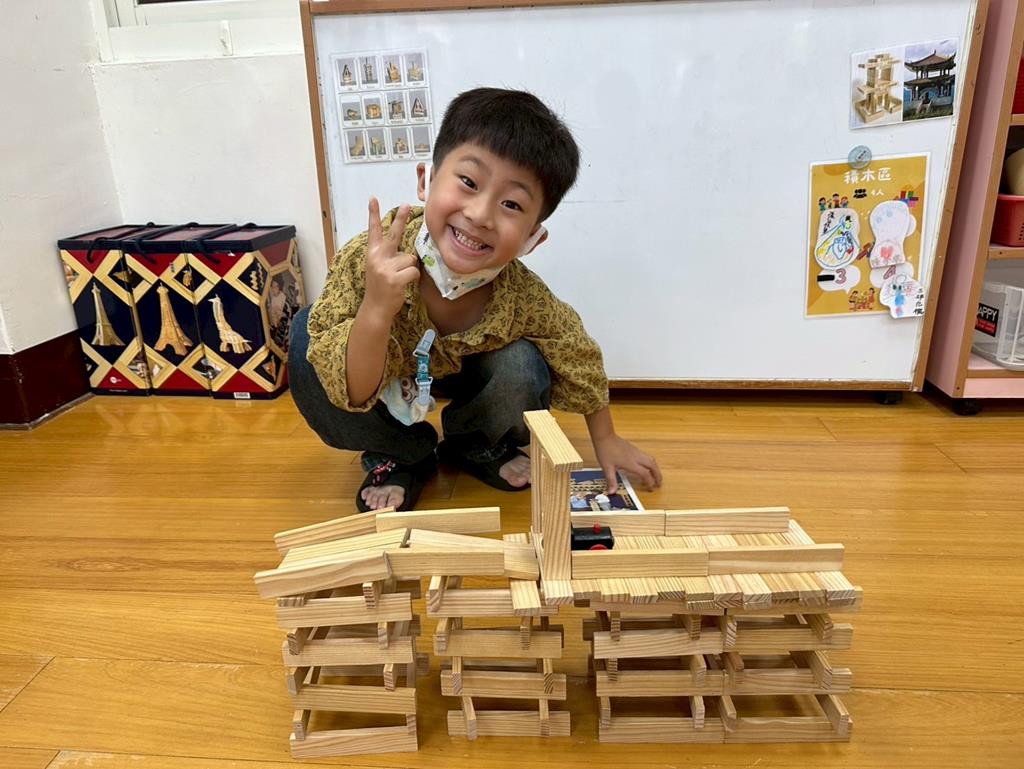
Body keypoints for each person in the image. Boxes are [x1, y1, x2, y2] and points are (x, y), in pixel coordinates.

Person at [289, 87, 662, 511]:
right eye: (468, 182)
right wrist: (375, 309)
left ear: (533, 238)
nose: (480, 215)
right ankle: (400, 452)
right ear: (426, 181)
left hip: (466, 379)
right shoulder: (367, 260)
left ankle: (476, 443)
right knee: (306, 340)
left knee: (524, 363)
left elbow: (578, 353)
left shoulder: (522, 296)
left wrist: (606, 438)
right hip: (376, 375)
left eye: (511, 204)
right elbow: (351, 392)